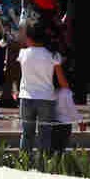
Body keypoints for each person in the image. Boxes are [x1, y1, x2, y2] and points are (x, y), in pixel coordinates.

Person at [16, 18, 67, 153]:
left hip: (26, 97)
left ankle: (24, 162)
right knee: (45, 134)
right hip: (46, 98)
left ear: (28, 37)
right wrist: (66, 92)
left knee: (27, 133)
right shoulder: (53, 55)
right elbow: (61, 79)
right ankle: (43, 164)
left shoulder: (23, 54)